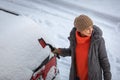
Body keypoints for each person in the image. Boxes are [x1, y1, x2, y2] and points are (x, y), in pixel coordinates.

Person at [53, 14, 111, 80]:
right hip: (77, 77)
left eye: (91, 27)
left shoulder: (98, 41)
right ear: (80, 30)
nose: (91, 30)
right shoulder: (74, 39)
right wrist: (59, 51)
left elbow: (104, 60)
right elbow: (71, 52)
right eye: (87, 29)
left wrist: (108, 78)